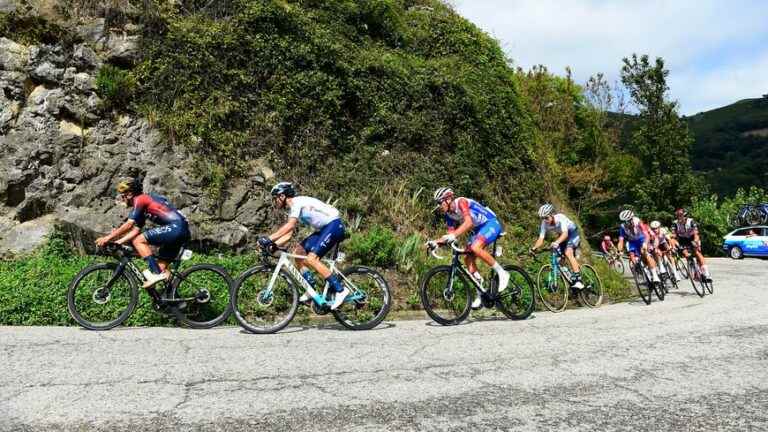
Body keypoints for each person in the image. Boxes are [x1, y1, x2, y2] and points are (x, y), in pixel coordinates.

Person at [259, 182, 348, 309]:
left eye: (275, 198)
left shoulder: (296, 203)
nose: (275, 202)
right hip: (324, 229)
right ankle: (310, 288)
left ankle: (341, 290)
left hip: (333, 225)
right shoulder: (294, 208)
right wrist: (273, 244)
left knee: (312, 259)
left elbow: (289, 226)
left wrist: (268, 239)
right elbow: (288, 235)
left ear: (282, 196)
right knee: (298, 252)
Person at [95, 178, 191, 290]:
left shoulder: (140, 199)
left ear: (130, 194)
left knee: (138, 241)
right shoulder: (143, 206)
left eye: (123, 195)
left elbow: (129, 225)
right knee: (161, 269)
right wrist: (117, 242)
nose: (122, 198)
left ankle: (156, 275)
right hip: (181, 230)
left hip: (177, 227)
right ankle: (172, 300)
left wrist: (107, 238)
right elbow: (135, 230)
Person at [428, 187, 509, 309]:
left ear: (449, 199)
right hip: (477, 230)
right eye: (437, 203)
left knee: (476, 247)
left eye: (440, 202)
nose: (439, 206)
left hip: (490, 223)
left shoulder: (461, 202)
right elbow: (451, 236)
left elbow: (468, 223)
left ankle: (502, 273)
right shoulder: (449, 215)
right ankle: (481, 291)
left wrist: (453, 235)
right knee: (467, 259)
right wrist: (436, 243)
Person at [530, 204, 584, 289]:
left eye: (546, 218)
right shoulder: (544, 223)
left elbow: (565, 234)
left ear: (552, 215)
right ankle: (571, 279)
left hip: (572, 233)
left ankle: (578, 280)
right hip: (562, 236)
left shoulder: (560, 218)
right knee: (560, 261)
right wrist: (534, 248)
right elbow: (541, 238)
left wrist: (556, 242)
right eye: (543, 218)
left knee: (568, 252)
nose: (545, 220)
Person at [616, 210, 661, 284]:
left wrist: (645, 243)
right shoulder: (623, 227)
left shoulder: (637, 221)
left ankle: (655, 276)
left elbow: (646, 234)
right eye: (625, 222)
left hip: (642, 239)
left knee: (645, 253)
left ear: (632, 218)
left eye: (629, 221)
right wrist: (619, 251)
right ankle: (642, 272)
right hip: (632, 242)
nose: (627, 223)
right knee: (632, 257)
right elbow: (621, 240)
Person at [672, 208, 711, 281]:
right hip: (682, 240)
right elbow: (673, 235)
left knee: (697, 252)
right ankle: (695, 271)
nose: (679, 218)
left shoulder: (691, 221)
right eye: (678, 216)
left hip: (693, 238)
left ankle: (706, 273)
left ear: (685, 216)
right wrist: (674, 244)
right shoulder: (675, 223)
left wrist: (695, 241)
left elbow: (696, 233)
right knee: (686, 255)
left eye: (681, 216)